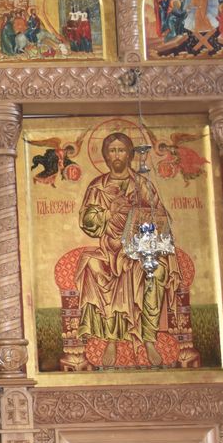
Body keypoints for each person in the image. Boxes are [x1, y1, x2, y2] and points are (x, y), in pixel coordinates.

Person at [74, 132, 181, 367]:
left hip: (140, 249)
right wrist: (109, 212)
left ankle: (148, 338)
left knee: (157, 271)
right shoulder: (98, 187)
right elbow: (87, 221)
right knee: (94, 265)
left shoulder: (143, 184)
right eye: (112, 151)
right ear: (105, 155)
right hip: (111, 248)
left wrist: (143, 220)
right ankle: (112, 338)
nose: (117, 155)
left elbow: (160, 215)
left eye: (121, 150)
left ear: (130, 154)